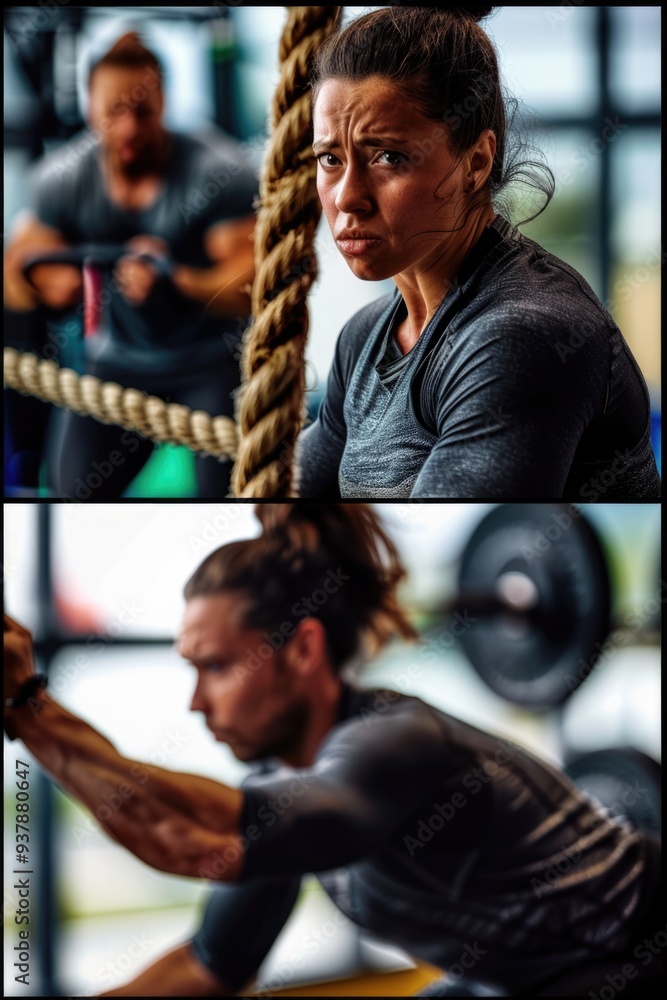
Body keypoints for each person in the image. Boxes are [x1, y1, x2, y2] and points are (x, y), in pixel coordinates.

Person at [4, 504, 662, 998]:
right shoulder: (290, 782)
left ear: (303, 650)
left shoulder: (392, 746)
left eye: (216, 668)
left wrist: (29, 704)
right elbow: (208, 967)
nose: (196, 704)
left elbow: (193, 836)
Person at [296, 6, 661, 500]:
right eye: (330, 159)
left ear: (477, 161)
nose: (345, 197)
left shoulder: (522, 334)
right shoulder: (363, 340)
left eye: (389, 156)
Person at [3, 31, 258, 499]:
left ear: (163, 103)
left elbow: (253, 286)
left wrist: (176, 279)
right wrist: (48, 286)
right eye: (113, 112)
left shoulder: (219, 170)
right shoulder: (62, 179)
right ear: (89, 108)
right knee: (69, 497)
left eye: (143, 110)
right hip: (116, 366)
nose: (128, 127)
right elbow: (15, 277)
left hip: (207, 365)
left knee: (233, 497)